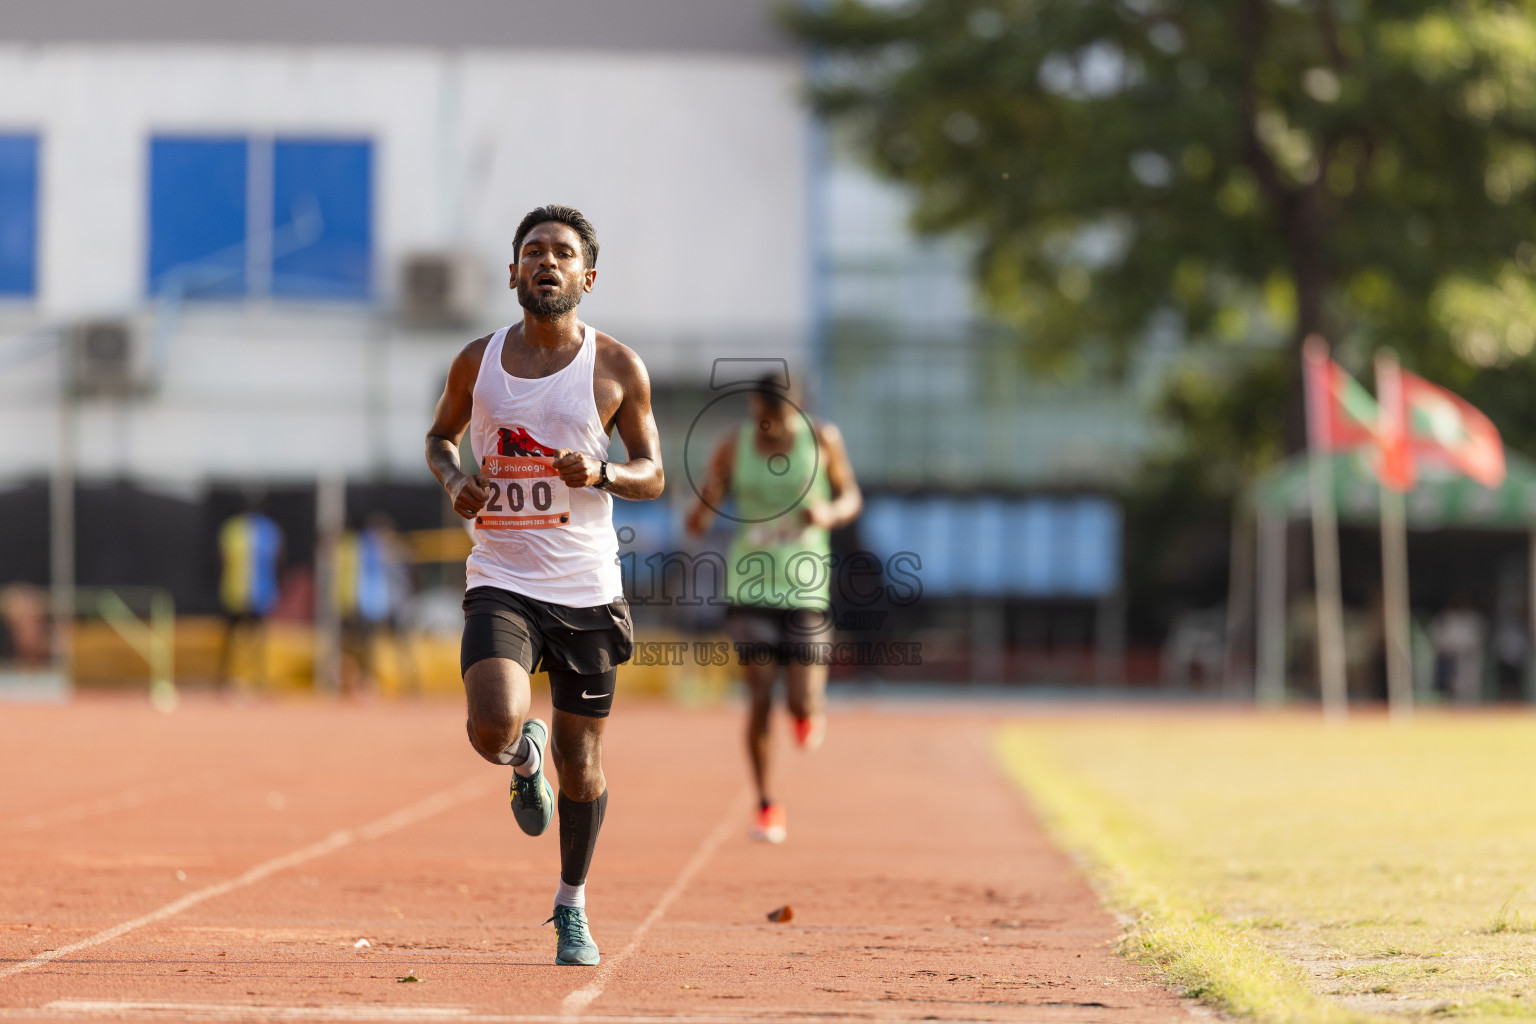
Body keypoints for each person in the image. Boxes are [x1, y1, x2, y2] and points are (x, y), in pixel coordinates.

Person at [424, 205, 662, 967]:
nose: (546, 262)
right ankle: (520, 763)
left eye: (562, 253)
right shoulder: (476, 361)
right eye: (533, 251)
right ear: (514, 272)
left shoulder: (618, 367)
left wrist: (602, 473)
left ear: (586, 278)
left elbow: (654, 474)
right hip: (502, 574)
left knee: (583, 764)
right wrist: (455, 476)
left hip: (587, 586)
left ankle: (571, 907)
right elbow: (438, 438)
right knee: (492, 725)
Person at [685, 374, 862, 844]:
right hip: (749, 584)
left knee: (800, 699)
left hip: (805, 586)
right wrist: (705, 504)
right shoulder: (733, 445)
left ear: (797, 412)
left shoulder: (823, 440)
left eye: (777, 422)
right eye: (759, 420)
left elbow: (850, 497)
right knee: (760, 693)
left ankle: (808, 712)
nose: (767, 430)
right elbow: (698, 518)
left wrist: (828, 513)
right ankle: (766, 805)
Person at [217, 504, 283, 690]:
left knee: (257, 639)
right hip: (239, 592)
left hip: (259, 592)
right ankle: (227, 679)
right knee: (233, 639)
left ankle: (257, 679)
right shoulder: (237, 529)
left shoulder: (261, 529)